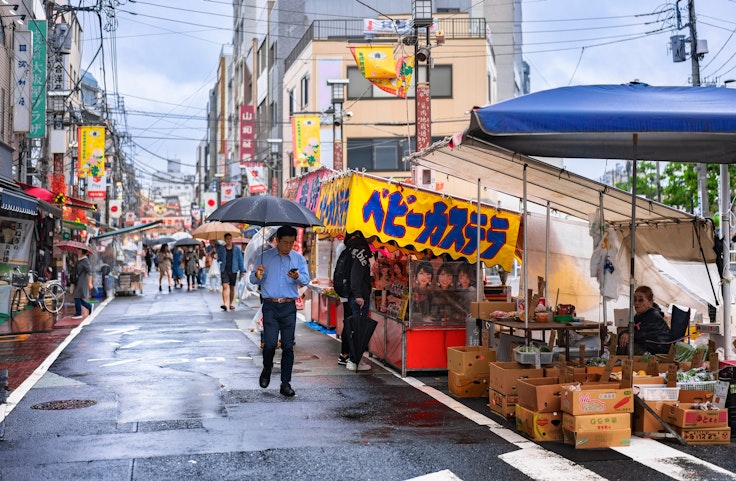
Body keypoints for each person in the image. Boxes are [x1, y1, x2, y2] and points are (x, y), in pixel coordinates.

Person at [251, 225, 310, 397]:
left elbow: (306, 279)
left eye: (291, 242)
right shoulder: (265, 257)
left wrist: (297, 277)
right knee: (269, 344)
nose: (288, 246)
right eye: (285, 242)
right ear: (277, 240)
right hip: (270, 306)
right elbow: (253, 279)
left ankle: (285, 383)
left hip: (288, 307)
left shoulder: (297, 258)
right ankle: (267, 369)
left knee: (288, 346)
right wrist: (258, 275)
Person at [338, 231, 372, 371]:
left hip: (352, 294)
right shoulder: (361, 249)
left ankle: (353, 359)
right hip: (359, 296)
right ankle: (354, 360)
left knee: (354, 327)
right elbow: (356, 274)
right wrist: (359, 294)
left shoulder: (350, 247)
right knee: (359, 328)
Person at [617, 285, 673, 355]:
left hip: (658, 350)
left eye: (641, 300)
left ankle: (619, 362)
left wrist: (628, 334)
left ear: (650, 302)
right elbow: (630, 329)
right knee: (624, 341)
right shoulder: (638, 316)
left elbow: (643, 335)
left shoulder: (654, 316)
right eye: (635, 300)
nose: (636, 303)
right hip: (647, 346)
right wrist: (625, 333)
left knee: (628, 346)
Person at [216, 233, 246, 311]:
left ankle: (231, 303)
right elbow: (219, 259)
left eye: (230, 239)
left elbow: (240, 260)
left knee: (232, 287)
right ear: (225, 240)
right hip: (224, 269)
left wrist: (242, 271)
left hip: (234, 270)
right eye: (227, 239)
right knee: (225, 286)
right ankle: (225, 303)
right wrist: (216, 257)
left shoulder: (236, 249)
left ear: (231, 239)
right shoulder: (222, 249)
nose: (229, 240)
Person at [71, 248, 93, 319]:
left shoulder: (85, 260)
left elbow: (90, 272)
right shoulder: (80, 259)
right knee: (77, 297)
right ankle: (89, 306)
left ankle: (79, 313)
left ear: (82, 251)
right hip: (78, 281)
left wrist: (90, 283)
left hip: (82, 281)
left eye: (79, 250)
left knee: (77, 296)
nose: (77, 251)